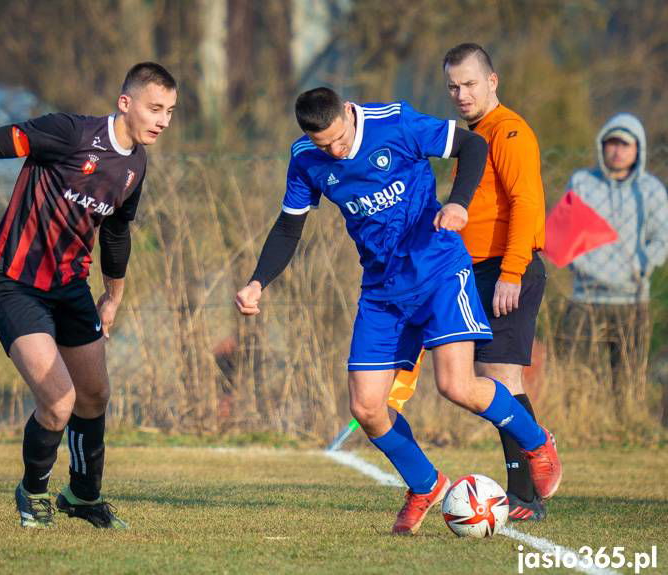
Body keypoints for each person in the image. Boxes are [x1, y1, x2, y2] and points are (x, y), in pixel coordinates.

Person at [234, 87, 562, 535]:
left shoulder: (395, 123)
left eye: (340, 140)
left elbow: (472, 144)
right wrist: (257, 281)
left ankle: (536, 442)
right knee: (367, 407)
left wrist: (459, 204)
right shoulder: (306, 158)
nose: (335, 151)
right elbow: (289, 226)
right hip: (382, 291)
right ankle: (425, 485)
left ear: (350, 113)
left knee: (457, 385)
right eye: (324, 145)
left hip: (439, 272)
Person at [0, 62, 178, 529]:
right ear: (126, 103)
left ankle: (82, 496)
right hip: (13, 281)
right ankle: (32, 492)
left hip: (69, 287)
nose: (162, 120)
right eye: (154, 108)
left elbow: (117, 233)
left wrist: (114, 296)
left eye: (170, 111)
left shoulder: (135, 165)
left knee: (95, 394)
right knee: (59, 401)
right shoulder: (69, 133)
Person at [443, 43, 548, 522]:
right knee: (484, 382)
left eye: (469, 83)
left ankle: (526, 494)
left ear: (492, 81)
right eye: (453, 86)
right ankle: (529, 476)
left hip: (509, 268)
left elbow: (527, 203)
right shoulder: (475, 135)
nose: (461, 93)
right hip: (477, 268)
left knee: (501, 379)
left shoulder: (508, 130)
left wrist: (511, 272)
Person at [560, 113, 668, 403]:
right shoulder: (582, 183)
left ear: (638, 150)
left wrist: (642, 267)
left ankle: (624, 424)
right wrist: (583, 268)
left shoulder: (650, 191)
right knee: (576, 373)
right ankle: (579, 424)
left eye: (625, 145)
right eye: (611, 143)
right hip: (586, 296)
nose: (617, 151)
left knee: (627, 378)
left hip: (631, 299)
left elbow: (662, 237)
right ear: (602, 146)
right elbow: (564, 234)